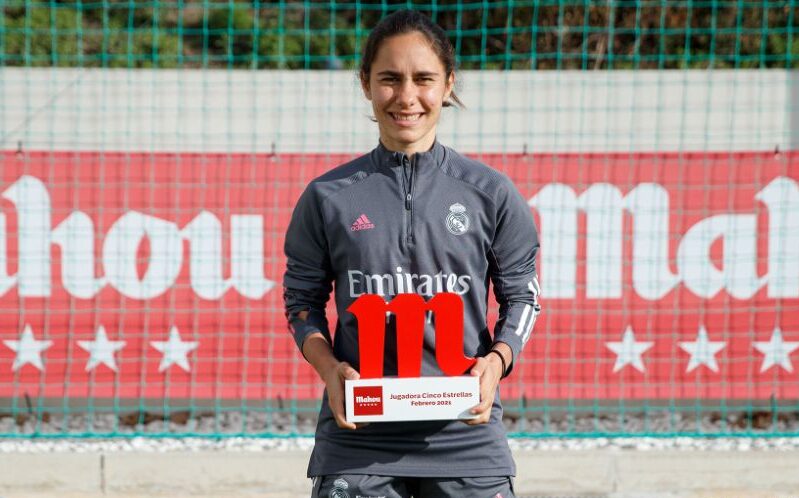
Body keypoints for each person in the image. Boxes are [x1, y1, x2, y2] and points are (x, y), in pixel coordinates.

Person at [283, 9, 541, 498]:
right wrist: (329, 369)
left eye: (423, 79)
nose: (406, 96)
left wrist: (496, 361)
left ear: (447, 84)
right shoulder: (328, 196)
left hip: (466, 435)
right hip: (358, 437)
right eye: (389, 79)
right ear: (366, 84)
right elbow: (301, 302)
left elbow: (522, 297)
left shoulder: (490, 193)